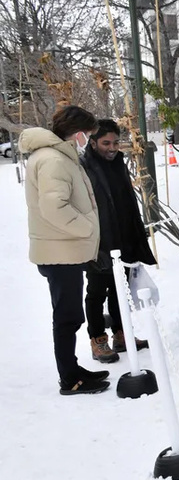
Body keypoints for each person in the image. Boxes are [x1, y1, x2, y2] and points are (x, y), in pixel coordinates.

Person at [22, 105, 110, 395]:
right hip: (60, 253)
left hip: (64, 250)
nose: (87, 139)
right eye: (87, 133)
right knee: (67, 317)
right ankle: (69, 379)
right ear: (77, 132)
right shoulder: (53, 160)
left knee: (69, 315)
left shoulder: (57, 156)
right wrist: (87, 227)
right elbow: (54, 207)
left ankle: (72, 370)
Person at [81, 119, 156, 363]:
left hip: (123, 235)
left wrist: (136, 229)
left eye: (115, 142)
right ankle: (97, 339)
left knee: (120, 289)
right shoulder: (83, 167)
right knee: (96, 291)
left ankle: (121, 334)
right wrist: (91, 242)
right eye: (105, 143)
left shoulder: (119, 163)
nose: (112, 147)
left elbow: (126, 199)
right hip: (99, 241)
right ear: (93, 143)